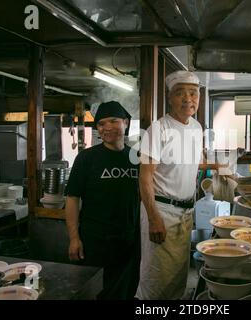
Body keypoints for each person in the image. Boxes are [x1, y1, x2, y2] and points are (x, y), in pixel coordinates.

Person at [136, 71, 221, 300]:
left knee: (176, 278)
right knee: (156, 280)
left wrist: (222, 167)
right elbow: (144, 178)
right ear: (170, 98)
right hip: (161, 211)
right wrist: (154, 219)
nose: (188, 99)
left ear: (199, 98)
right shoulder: (158, 129)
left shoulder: (195, 127)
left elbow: (194, 162)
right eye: (180, 93)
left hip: (185, 212)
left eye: (193, 93)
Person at [64, 101, 140, 300]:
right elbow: (72, 199)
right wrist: (74, 238)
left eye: (113, 121)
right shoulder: (86, 158)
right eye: (101, 124)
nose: (107, 128)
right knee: (97, 293)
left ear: (125, 122)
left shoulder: (136, 157)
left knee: (126, 292)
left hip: (130, 241)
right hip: (95, 241)